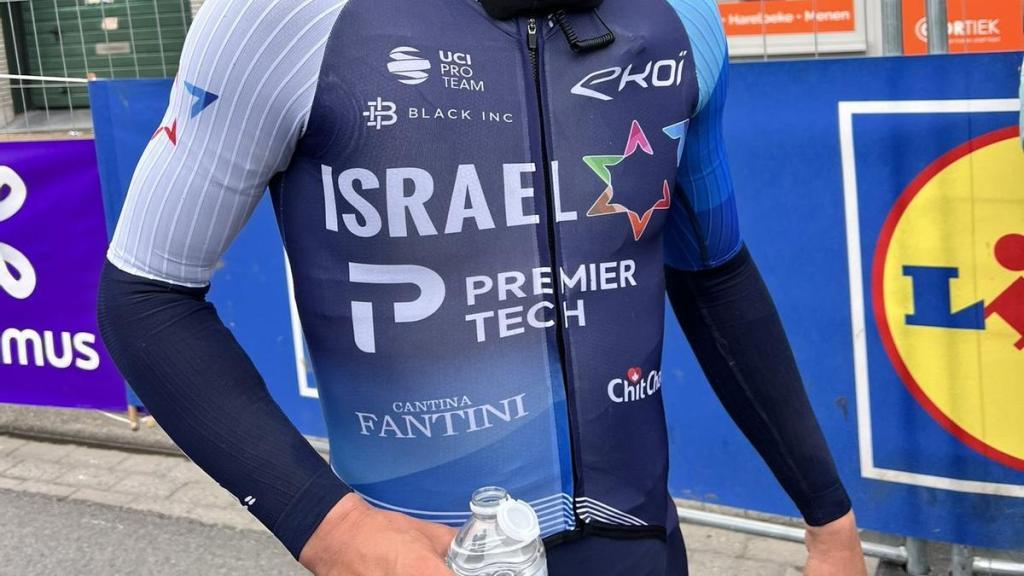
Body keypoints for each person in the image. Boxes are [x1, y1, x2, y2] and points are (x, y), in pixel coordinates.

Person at [97, 0, 867, 574]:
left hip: (640, 548)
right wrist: (329, 528)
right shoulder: (286, 16)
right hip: (428, 556)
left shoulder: (681, 18)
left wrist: (830, 523)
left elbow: (715, 277)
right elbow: (146, 293)